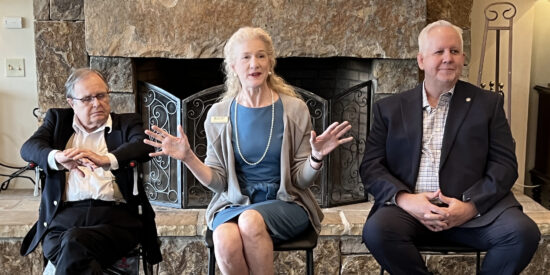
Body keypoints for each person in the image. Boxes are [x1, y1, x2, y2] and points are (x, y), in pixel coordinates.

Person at [144, 26, 352, 275]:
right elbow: (219, 183)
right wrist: (188, 157)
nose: (255, 63)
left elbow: (300, 180)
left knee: (250, 220)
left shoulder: (294, 110)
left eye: (261, 56)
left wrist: (316, 156)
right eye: (246, 57)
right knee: (223, 237)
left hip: (286, 203)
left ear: (270, 62)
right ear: (233, 66)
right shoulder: (218, 114)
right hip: (233, 204)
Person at [360, 20, 540, 275]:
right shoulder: (390, 108)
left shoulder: (487, 104)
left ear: (463, 58)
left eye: (454, 51)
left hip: (474, 212)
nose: (448, 58)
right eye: (439, 52)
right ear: (421, 60)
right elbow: (371, 167)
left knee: (523, 234)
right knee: (377, 231)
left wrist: (471, 205)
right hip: (411, 212)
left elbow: (505, 165)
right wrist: (406, 200)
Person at [20, 68, 162, 274]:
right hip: (63, 222)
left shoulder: (127, 123)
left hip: (115, 220)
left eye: (101, 95)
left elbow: (144, 145)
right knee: (75, 245)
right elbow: (29, 147)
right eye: (87, 99)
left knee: (74, 244)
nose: (97, 103)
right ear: (72, 103)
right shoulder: (57, 121)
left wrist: (107, 160)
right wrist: (57, 157)